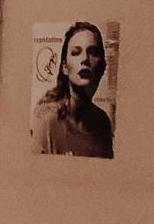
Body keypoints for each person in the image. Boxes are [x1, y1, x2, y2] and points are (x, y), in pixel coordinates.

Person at [32, 22, 113, 158]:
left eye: (93, 53)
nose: (85, 59)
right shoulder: (47, 121)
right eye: (76, 53)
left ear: (102, 67)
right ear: (64, 67)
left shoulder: (103, 123)